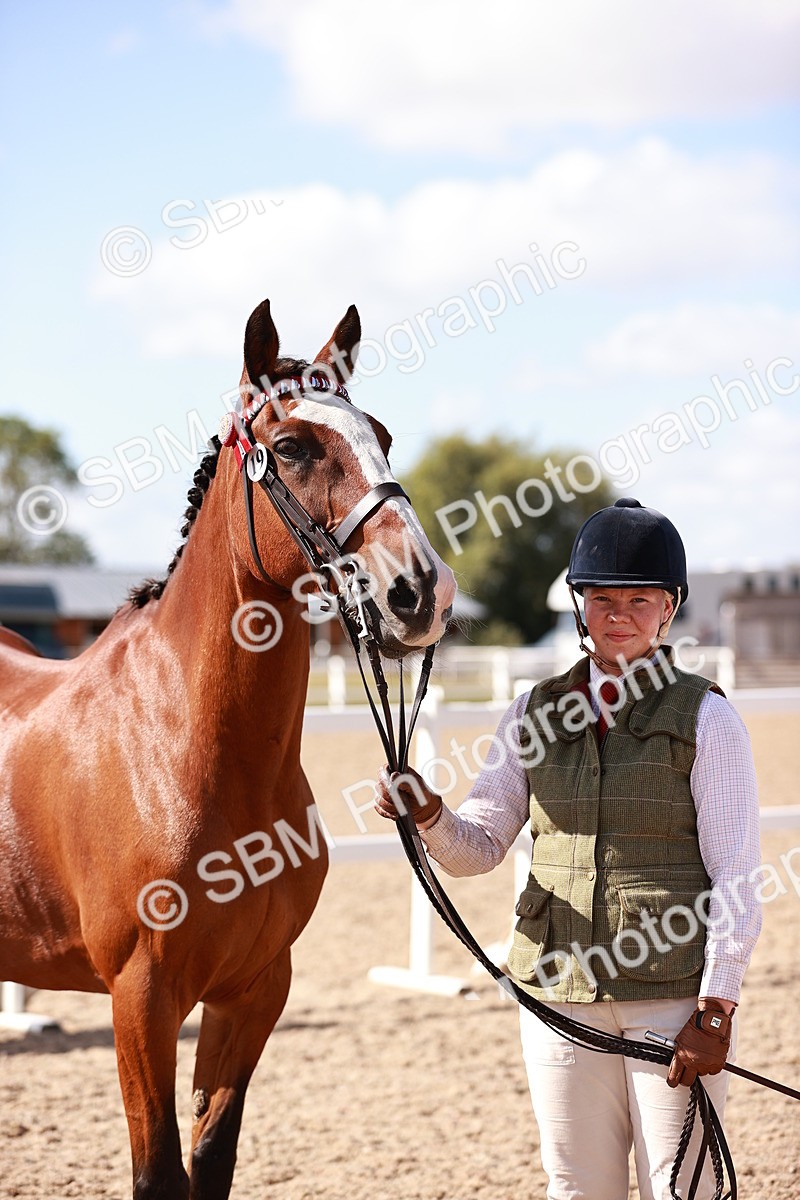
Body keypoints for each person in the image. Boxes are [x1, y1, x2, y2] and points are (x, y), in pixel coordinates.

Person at [375, 497, 761, 1200]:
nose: (620, 613)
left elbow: (737, 876)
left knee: (685, 1189)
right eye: (602, 597)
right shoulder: (532, 711)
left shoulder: (708, 717)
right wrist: (429, 814)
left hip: (669, 1000)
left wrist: (715, 1010)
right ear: (579, 603)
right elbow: (481, 846)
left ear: (669, 609)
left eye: (640, 599)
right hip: (557, 995)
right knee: (577, 1187)